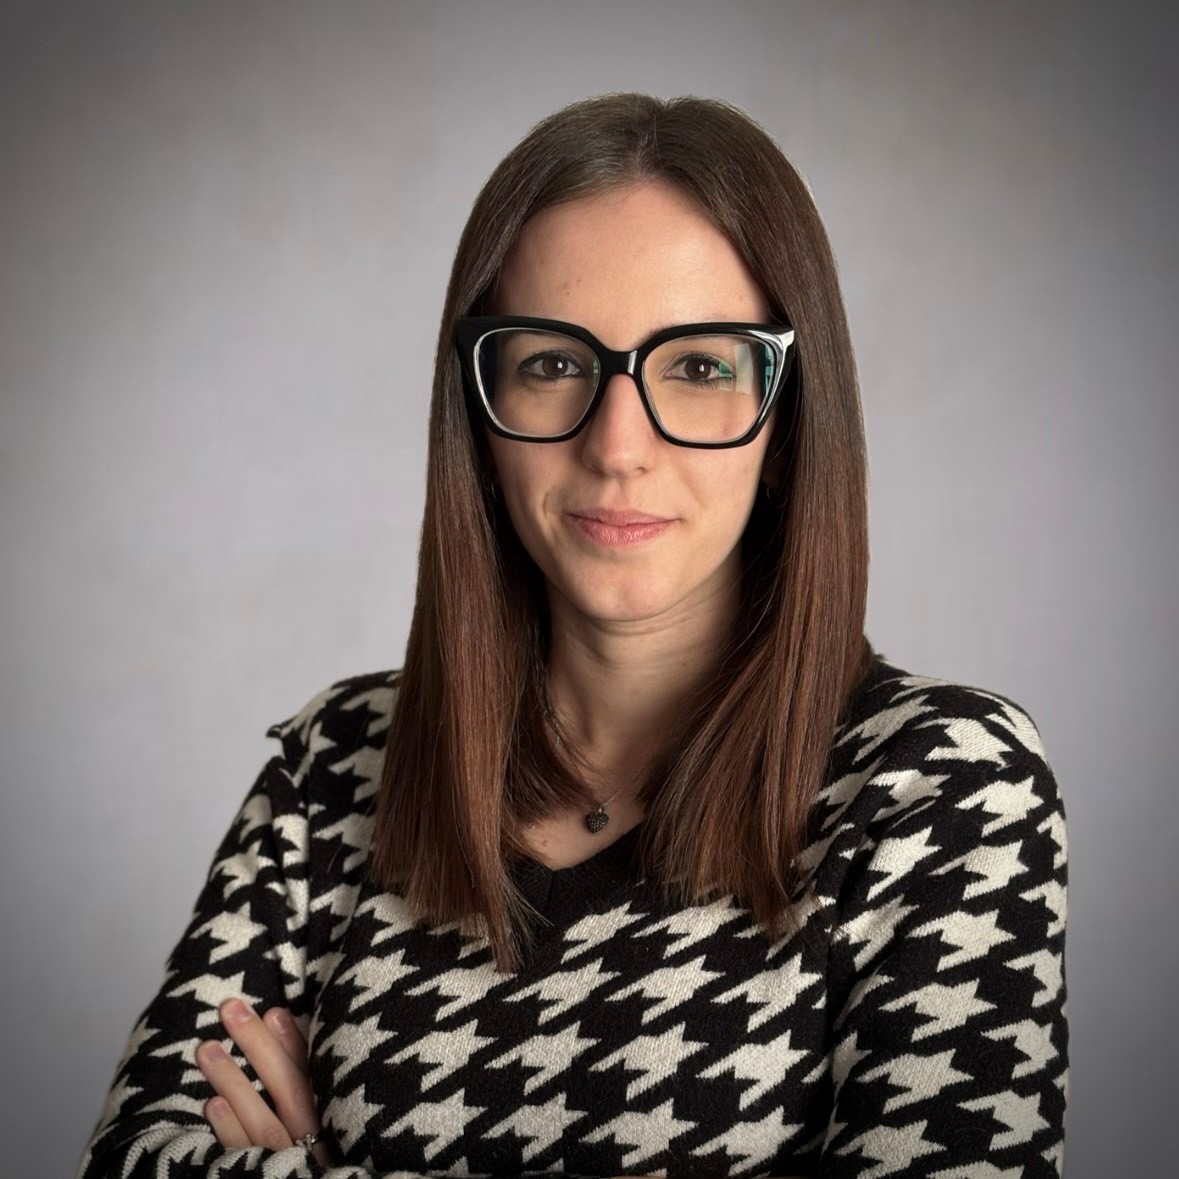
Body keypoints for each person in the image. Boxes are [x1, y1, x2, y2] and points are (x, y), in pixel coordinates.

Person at [78, 93, 1068, 1179]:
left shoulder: (943, 789)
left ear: (786, 421)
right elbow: (134, 1159)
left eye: (699, 365)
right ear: (479, 413)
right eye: (552, 363)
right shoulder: (339, 766)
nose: (617, 445)